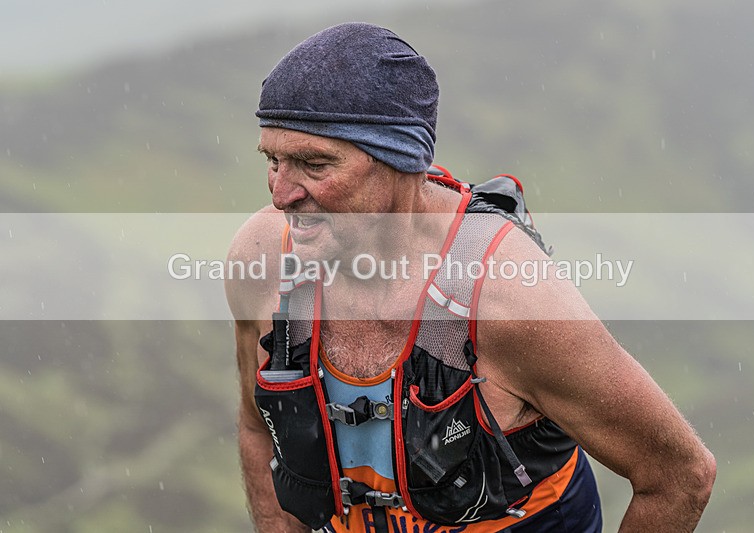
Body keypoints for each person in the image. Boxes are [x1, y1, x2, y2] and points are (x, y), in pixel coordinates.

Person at [225, 22, 716, 533]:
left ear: (402, 159)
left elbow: (680, 475)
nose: (281, 194)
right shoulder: (262, 260)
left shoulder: (512, 300)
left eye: (314, 164)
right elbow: (259, 429)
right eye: (273, 160)